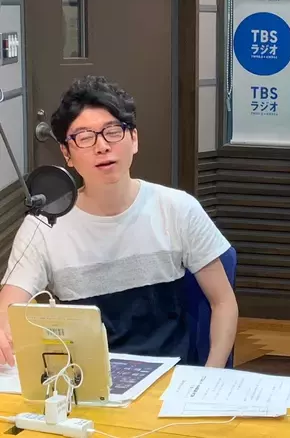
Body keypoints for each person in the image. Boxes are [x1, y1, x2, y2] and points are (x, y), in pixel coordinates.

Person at [0, 75, 238, 368]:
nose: (102, 146)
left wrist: (210, 376)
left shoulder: (178, 209)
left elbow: (223, 302)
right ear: (66, 153)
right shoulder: (44, 225)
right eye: (84, 137)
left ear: (134, 139)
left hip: (171, 378)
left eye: (112, 132)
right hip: (88, 380)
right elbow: (9, 305)